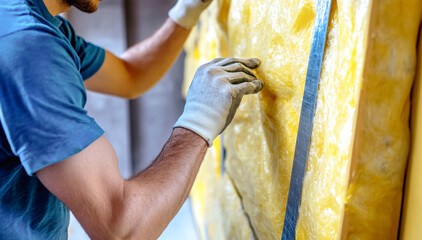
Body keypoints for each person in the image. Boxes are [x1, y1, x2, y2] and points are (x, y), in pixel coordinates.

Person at [0, 0, 264, 239]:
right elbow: (120, 228)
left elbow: (130, 75)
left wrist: (185, 13)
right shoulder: (28, 44)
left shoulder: (31, 21)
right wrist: (200, 119)